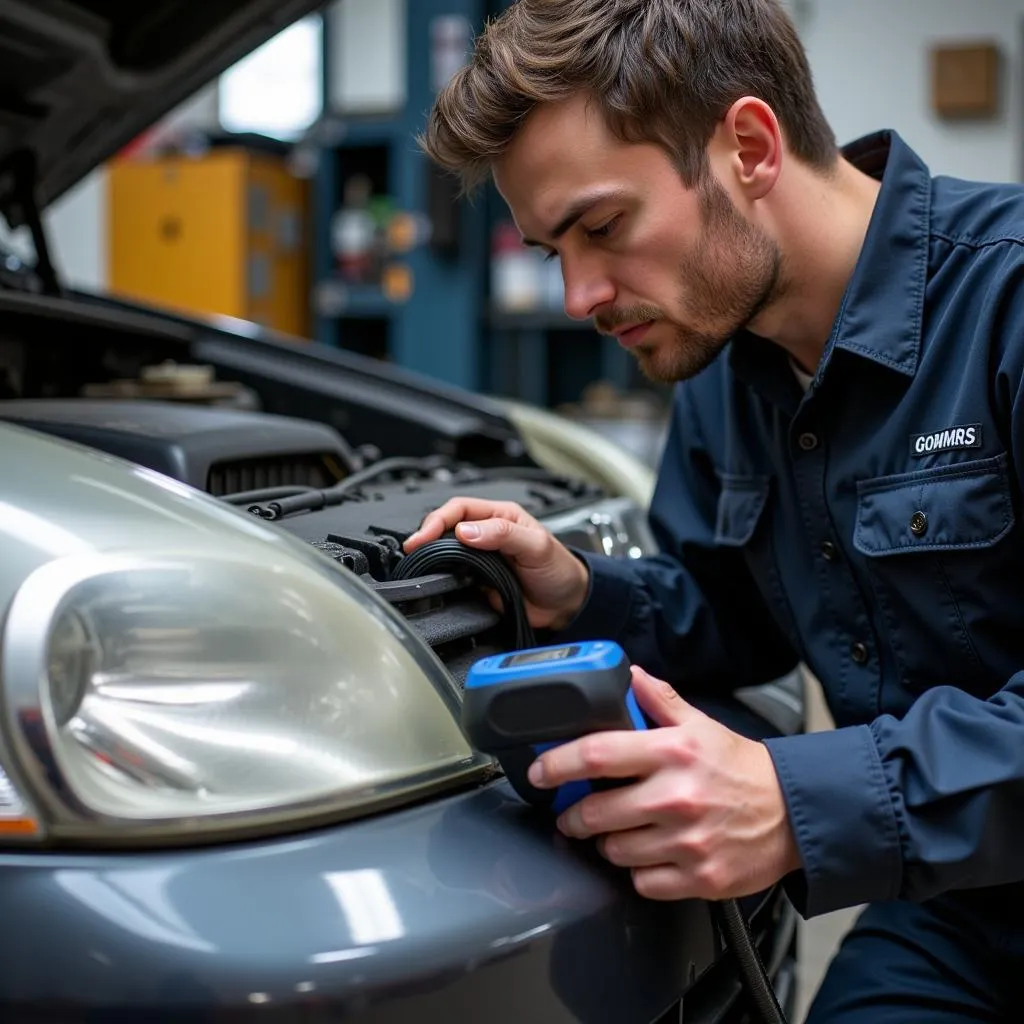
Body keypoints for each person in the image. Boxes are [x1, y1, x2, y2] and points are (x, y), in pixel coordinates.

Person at [404, 1, 1024, 1019]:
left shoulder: (1005, 300)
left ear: (748, 146)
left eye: (601, 226)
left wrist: (795, 800)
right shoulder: (719, 374)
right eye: (552, 248)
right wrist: (580, 593)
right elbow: (733, 615)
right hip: (958, 906)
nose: (579, 295)